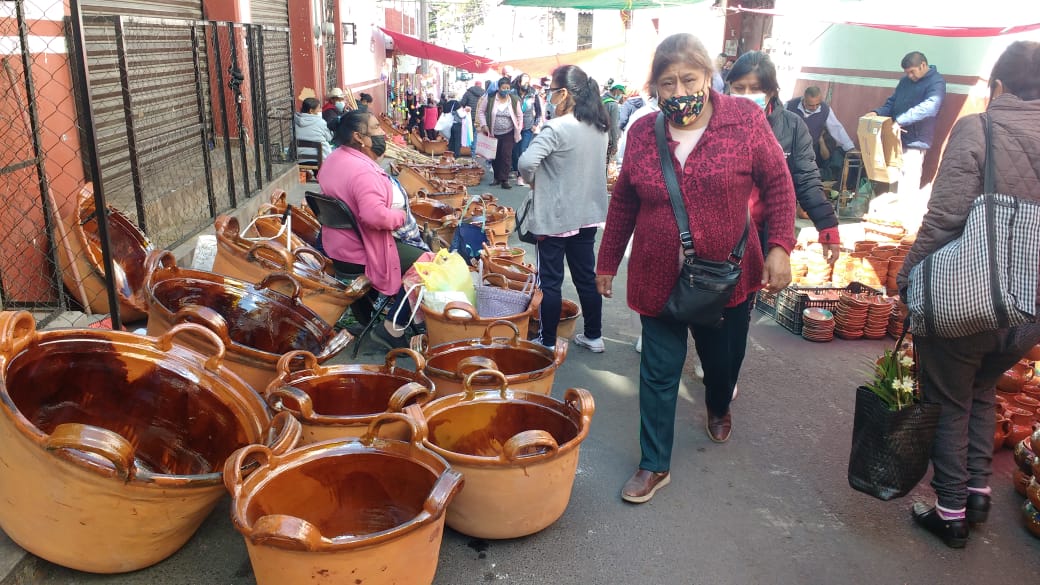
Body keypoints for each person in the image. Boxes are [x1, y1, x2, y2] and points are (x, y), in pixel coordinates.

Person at [596, 33, 795, 504]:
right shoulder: (644, 132)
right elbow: (624, 200)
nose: (679, 90)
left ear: (708, 76)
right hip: (657, 278)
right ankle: (653, 464)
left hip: (727, 279)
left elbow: (780, 185)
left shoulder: (744, 120)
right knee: (659, 373)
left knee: (721, 365)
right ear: (655, 88)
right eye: (668, 83)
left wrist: (780, 247)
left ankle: (719, 403)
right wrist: (606, 261)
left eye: (689, 78)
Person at [895, 40, 1040, 549]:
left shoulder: (980, 126)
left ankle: (950, 511)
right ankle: (977, 493)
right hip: (1029, 311)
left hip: (971, 297)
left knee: (949, 397)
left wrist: (908, 275)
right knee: (981, 389)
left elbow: (945, 217)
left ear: (998, 88)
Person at [317, 111, 429, 349]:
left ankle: (367, 320)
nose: (383, 133)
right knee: (432, 265)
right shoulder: (362, 171)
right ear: (360, 137)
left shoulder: (334, 159)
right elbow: (373, 216)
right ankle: (391, 328)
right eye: (377, 128)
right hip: (362, 251)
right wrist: (399, 217)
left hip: (338, 250)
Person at [519, 64, 609, 352]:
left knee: (551, 281)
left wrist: (532, 182)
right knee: (586, 276)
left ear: (566, 93)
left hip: (556, 217)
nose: (550, 97)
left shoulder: (557, 127)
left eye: (552, 92)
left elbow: (525, 163)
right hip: (587, 216)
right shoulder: (599, 126)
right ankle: (594, 336)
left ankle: (546, 341)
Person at [727, 51, 841, 265]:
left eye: (756, 89)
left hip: (764, 235)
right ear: (729, 87)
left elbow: (805, 177)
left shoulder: (792, 126)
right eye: (739, 88)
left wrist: (827, 225)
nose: (746, 95)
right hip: (720, 235)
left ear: (770, 91)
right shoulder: (716, 125)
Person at [868, 51, 946, 194]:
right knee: (892, 181)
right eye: (907, 72)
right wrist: (877, 112)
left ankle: (904, 213)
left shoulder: (936, 82)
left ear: (923, 65)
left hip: (915, 141)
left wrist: (900, 120)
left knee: (908, 183)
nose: (910, 76)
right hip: (896, 139)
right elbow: (892, 102)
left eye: (912, 72)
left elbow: (930, 107)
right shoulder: (905, 81)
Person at [786, 86, 856, 177]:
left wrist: (850, 148)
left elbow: (837, 129)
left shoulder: (825, 109)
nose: (815, 107)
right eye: (811, 105)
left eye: (817, 104)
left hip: (810, 150)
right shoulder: (789, 106)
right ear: (804, 99)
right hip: (790, 149)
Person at [476, 76, 523, 189]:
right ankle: (496, 178)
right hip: (493, 132)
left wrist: (519, 128)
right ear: (498, 88)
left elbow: (520, 115)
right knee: (495, 156)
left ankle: (504, 179)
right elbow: (481, 112)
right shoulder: (491, 98)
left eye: (508, 87)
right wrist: (484, 125)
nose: (505, 90)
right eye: (503, 87)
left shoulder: (514, 99)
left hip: (509, 132)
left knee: (506, 155)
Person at [512, 73, 543, 187]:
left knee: (522, 150)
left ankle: (520, 176)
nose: (526, 84)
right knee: (514, 152)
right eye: (523, 81)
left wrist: (536, 124)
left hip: (528, 126)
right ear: (519, 82)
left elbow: (539, 110)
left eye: (527, 81)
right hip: (515, 126)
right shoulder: (513, 93)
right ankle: (516, 170)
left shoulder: (533, 93)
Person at [602, 83, 624, 165]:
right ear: (617, 90)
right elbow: (613, 126)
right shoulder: (613, 105)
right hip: (607, 140)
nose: (621, 95)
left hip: (596, 137)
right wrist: (615, 144)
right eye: (621, 93)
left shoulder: (599, 100)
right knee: (605, 166)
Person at [441, 90, 464, 157]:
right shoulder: (457, 103)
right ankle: (456, 155)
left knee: (451, 140)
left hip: (448, 125)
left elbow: (444, 113)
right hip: (456, 124)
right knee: (457, 140)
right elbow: (461, 115)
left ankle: (450, 154)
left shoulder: (446, 104)